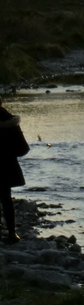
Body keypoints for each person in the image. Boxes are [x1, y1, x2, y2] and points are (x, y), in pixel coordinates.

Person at [0, 96, 30, 245]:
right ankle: (12, 233)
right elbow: (23, 149)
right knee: (6, 199)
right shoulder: (12, 122)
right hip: (6, 165)